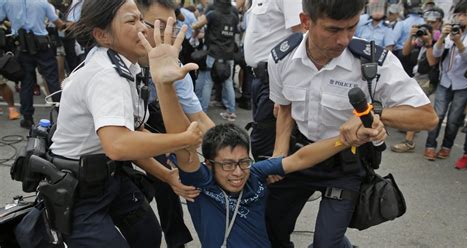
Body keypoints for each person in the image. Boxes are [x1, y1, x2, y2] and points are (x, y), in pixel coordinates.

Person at [138, 23, 386, 246]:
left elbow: (300, 159)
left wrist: (343, 140)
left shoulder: (254, 174)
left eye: (242, 162)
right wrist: (164, 85)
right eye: (227, 165)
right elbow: (183, 147)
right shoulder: (201, 184)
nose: (237, 173)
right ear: (209, 164)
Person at [266, 0, 438, 247]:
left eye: (352, 27)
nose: (344, 40)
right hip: (299, 156)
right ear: (306, 22)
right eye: (334, 30)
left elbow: (427, 117)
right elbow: (284, 109)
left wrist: (370, 112)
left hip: (346, 163)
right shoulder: (282, 57)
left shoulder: (373, 62)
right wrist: (278, 156)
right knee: (272, 230)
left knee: (327, 244)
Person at [48, 0, 202, 246]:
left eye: (141, 19)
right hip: (78, 190)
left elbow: (131, 134)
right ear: (102, 35)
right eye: (132, 21)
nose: (143, 28)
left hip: (110, 177)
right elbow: (118, 144)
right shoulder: (106, 74)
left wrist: (167, 176)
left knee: (148, 235)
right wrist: (183, 140)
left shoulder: (125, 65)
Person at [136, 0, 215, 246]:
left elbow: (198, 116)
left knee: (177, 179)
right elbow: (124, 138)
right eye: (158, 27)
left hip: (156, 130)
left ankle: (177, 240)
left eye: (173, 27)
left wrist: (232, 156)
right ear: (133, 22)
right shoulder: (113, 65)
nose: (166, 37)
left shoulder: (173, 64)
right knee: (140, 226)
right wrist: (168, 172)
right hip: (113, 143)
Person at [243, 0, 303, 161]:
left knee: (265, 144)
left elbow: (302, 35)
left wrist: (285, 90)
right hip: (259, 77)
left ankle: (271, 184)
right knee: (260, 134)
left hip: (275, 78)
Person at [0, 0, 65, 128]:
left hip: (22, 46)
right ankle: (63, 115)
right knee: (53, 82)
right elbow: (58, 23)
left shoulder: (6, 1)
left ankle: (27, 118)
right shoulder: (42, 2)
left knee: (26, 83)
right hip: (43, 45)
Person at [423, 0, 467, 161]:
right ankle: (430, 146)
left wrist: (458, 41)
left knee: (453, 120)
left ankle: (446, 147)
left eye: (463, 15)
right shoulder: (448, 28)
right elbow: (437, 54)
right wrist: (442, 37)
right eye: (457, 14)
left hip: (463, 83)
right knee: (437, 116)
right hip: (445, 79)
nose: (459, 18)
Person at [391, 7, 444, 153]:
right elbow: (405, 53)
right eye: (427, 21)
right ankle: (411, 127)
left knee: (415, 105)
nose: (429, 25)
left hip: (429, 79)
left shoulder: (440, 38)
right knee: (408, 103)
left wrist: (429, 43)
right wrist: (411, 37)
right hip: (417, 76)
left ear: (439, 23)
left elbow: (433, 62)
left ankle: (409, 142)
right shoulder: (421, 37)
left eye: (433, 22)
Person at [192, 0, 239, 121]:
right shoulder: (233, 17)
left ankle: (203, 112)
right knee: (228, 82)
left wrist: (198, 21)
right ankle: (231, 112)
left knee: (208, 81)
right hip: (229, 54)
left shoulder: (212, 14)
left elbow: (197, 26)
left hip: (214, 53)